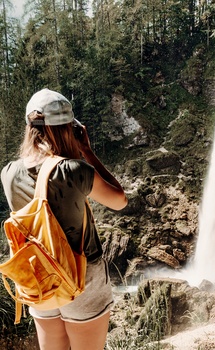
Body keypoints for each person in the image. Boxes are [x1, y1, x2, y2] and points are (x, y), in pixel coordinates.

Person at [1, 88, 128, 350]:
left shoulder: (9, 172)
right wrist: (87, 152)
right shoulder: (74, 170)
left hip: (39, 275)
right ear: (69, 127)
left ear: (29, 126)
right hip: (82, 276)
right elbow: (119, 200)